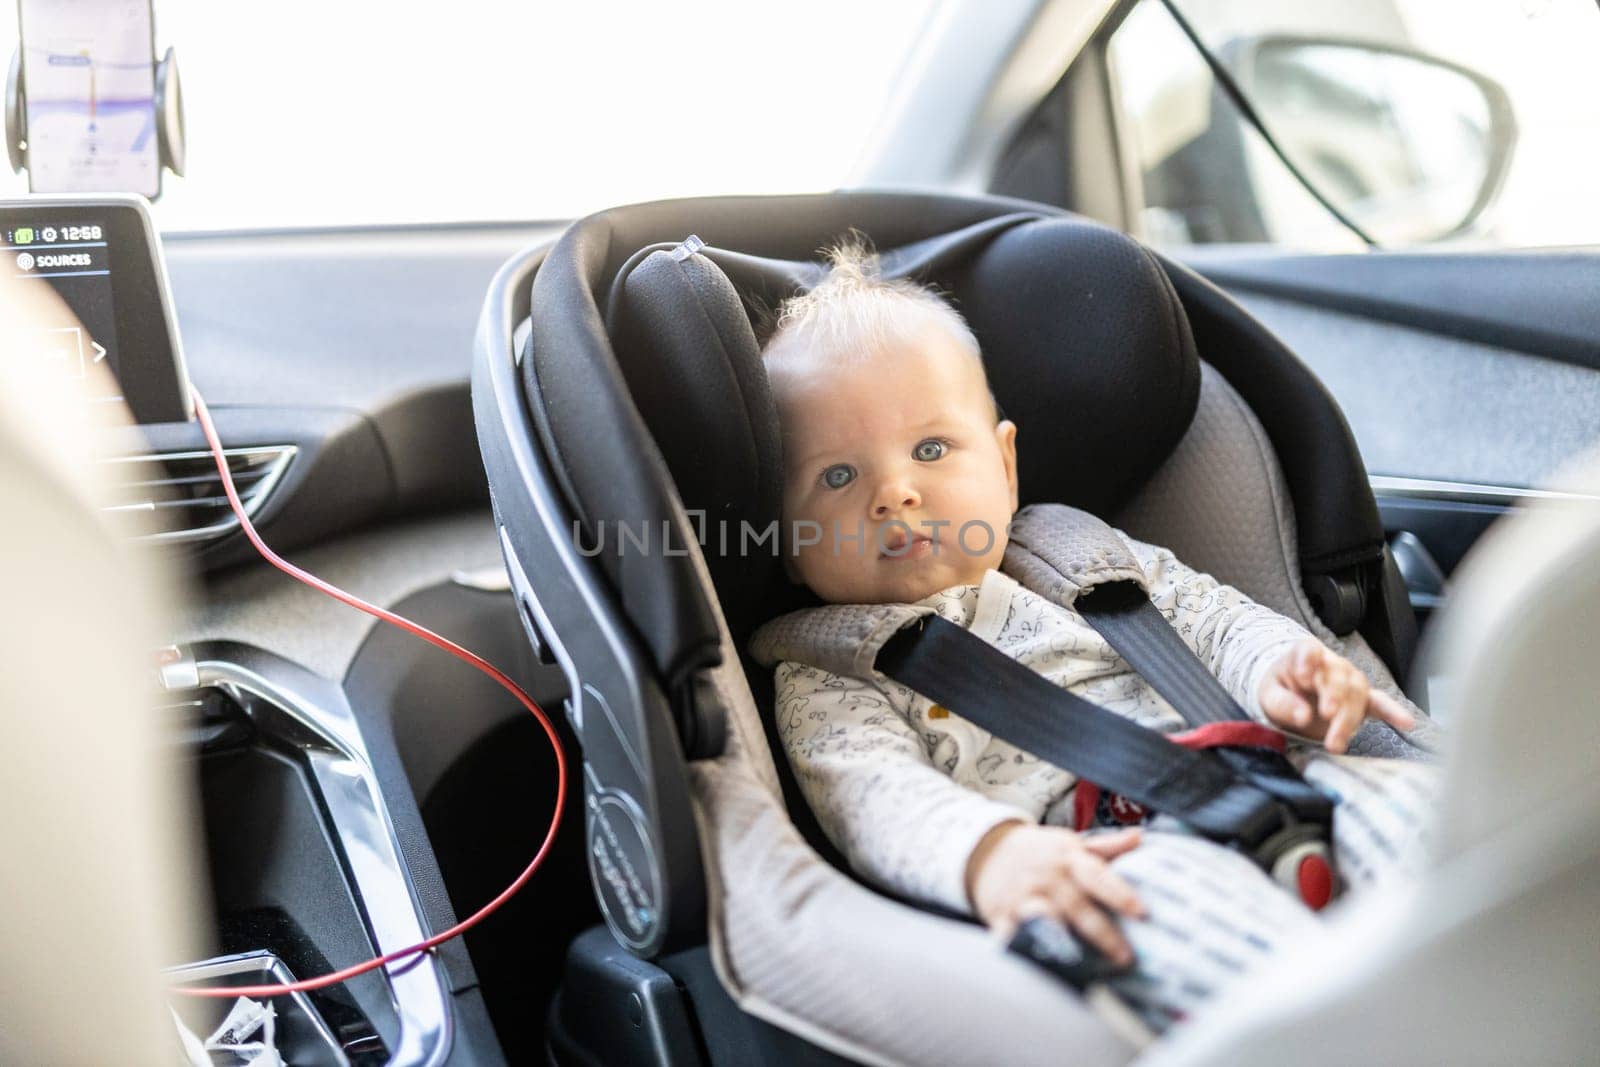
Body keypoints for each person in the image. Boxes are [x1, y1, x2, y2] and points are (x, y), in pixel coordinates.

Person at [751, 241, 1437, 1032]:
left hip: (1273, 767)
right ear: (788, 536)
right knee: (1277, 987)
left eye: (931, 449)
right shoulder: (829, 669)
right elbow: (872, 797)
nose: (895, 492)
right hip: (1109, 853)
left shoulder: (1078, 556)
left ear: (1005, 467)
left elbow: (1211, 617)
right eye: (838, 477)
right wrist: (988, 856)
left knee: (1445, 830)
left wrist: (1281, 666)